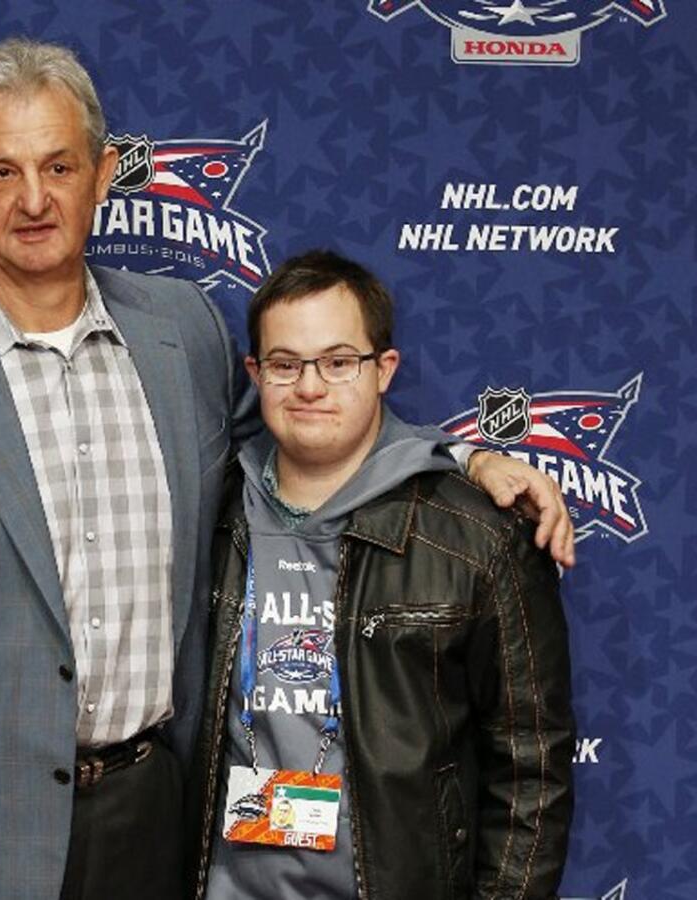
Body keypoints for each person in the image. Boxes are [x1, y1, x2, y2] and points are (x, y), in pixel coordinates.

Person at [0, 39, 574, 900]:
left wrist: (464, 457)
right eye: (1, 173)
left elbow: (301, 430)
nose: (35, 199)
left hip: (153, 817)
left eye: (59, 165)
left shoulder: (179, 330)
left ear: (104, 172)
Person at [186, 250, 574, 900]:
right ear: (255, 372)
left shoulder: (478, 536)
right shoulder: (211, 509)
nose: (310, 386)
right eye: (285, 364)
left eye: (339, 362)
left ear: (383, 369)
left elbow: (531, 766)